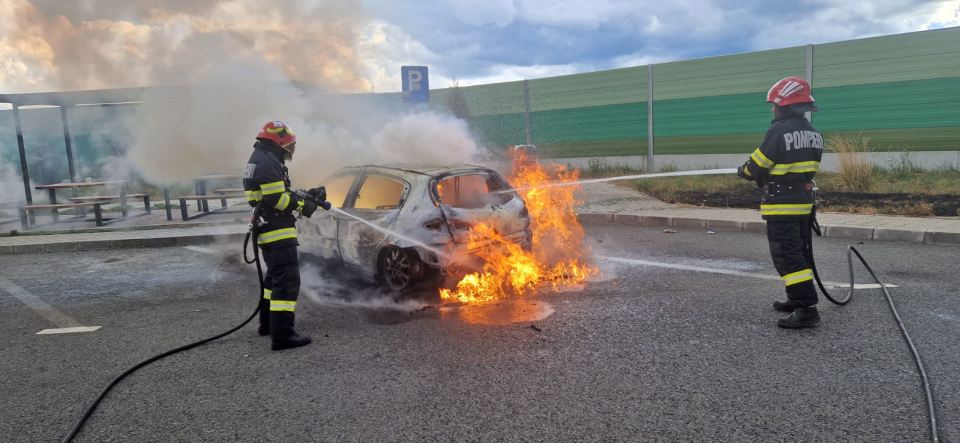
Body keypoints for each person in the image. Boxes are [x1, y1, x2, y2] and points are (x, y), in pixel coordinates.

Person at [737, 77, 824, 329]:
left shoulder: (778, 131)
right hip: (803, 203)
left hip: (782, 204)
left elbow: (757, 166)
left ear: (785, 106)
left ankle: (806, 308)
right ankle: (795, 298)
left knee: (788, 257)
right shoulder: (813, 133)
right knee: (799, 252)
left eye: (774, 105)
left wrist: (744, 171)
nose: (772, 110)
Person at [243, 120, 327, 350]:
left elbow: (278, 192)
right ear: (278, 142)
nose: (289, 151)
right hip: (277, 230)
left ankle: (267, 324)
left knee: (274, 279)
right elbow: (276, 199)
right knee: (287, 281)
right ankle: (283, 335)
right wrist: (304, 206)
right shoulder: (267, 162)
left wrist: (307, 195)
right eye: (287, 146)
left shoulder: (260, 158)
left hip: (268, 228)